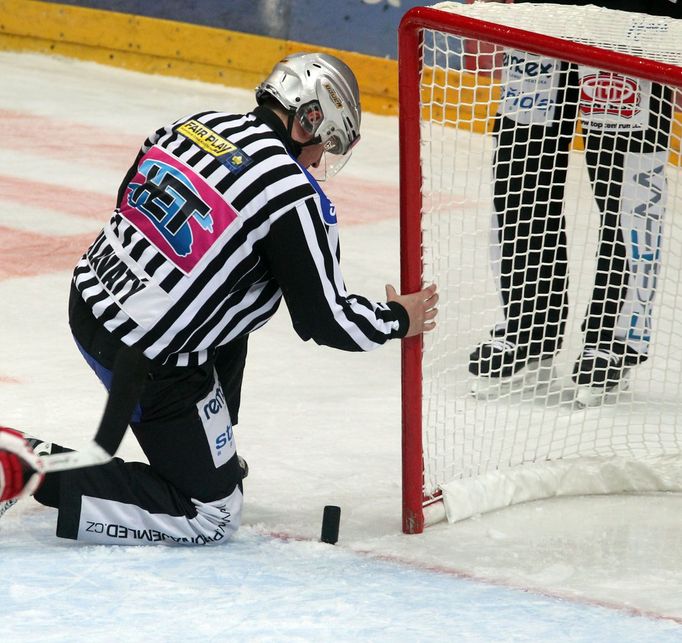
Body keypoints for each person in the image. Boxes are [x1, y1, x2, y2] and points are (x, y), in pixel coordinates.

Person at [0, 52, 438, 544]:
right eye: (326, 143)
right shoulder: (290, 192)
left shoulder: (192, 125)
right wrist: (399, 317)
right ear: (308, 120)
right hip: (150, 358)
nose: (320, 159)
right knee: (212, 516)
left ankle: (206, 452)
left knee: (239, 293)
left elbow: (128, 207)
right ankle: (24, 465)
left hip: (88, 304)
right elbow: (326, 321)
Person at [468, 0, 680, 401]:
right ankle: (528, 328)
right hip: (545, 15)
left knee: (627, 194)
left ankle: (613, 339)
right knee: (519, 177)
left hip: (631, 22)